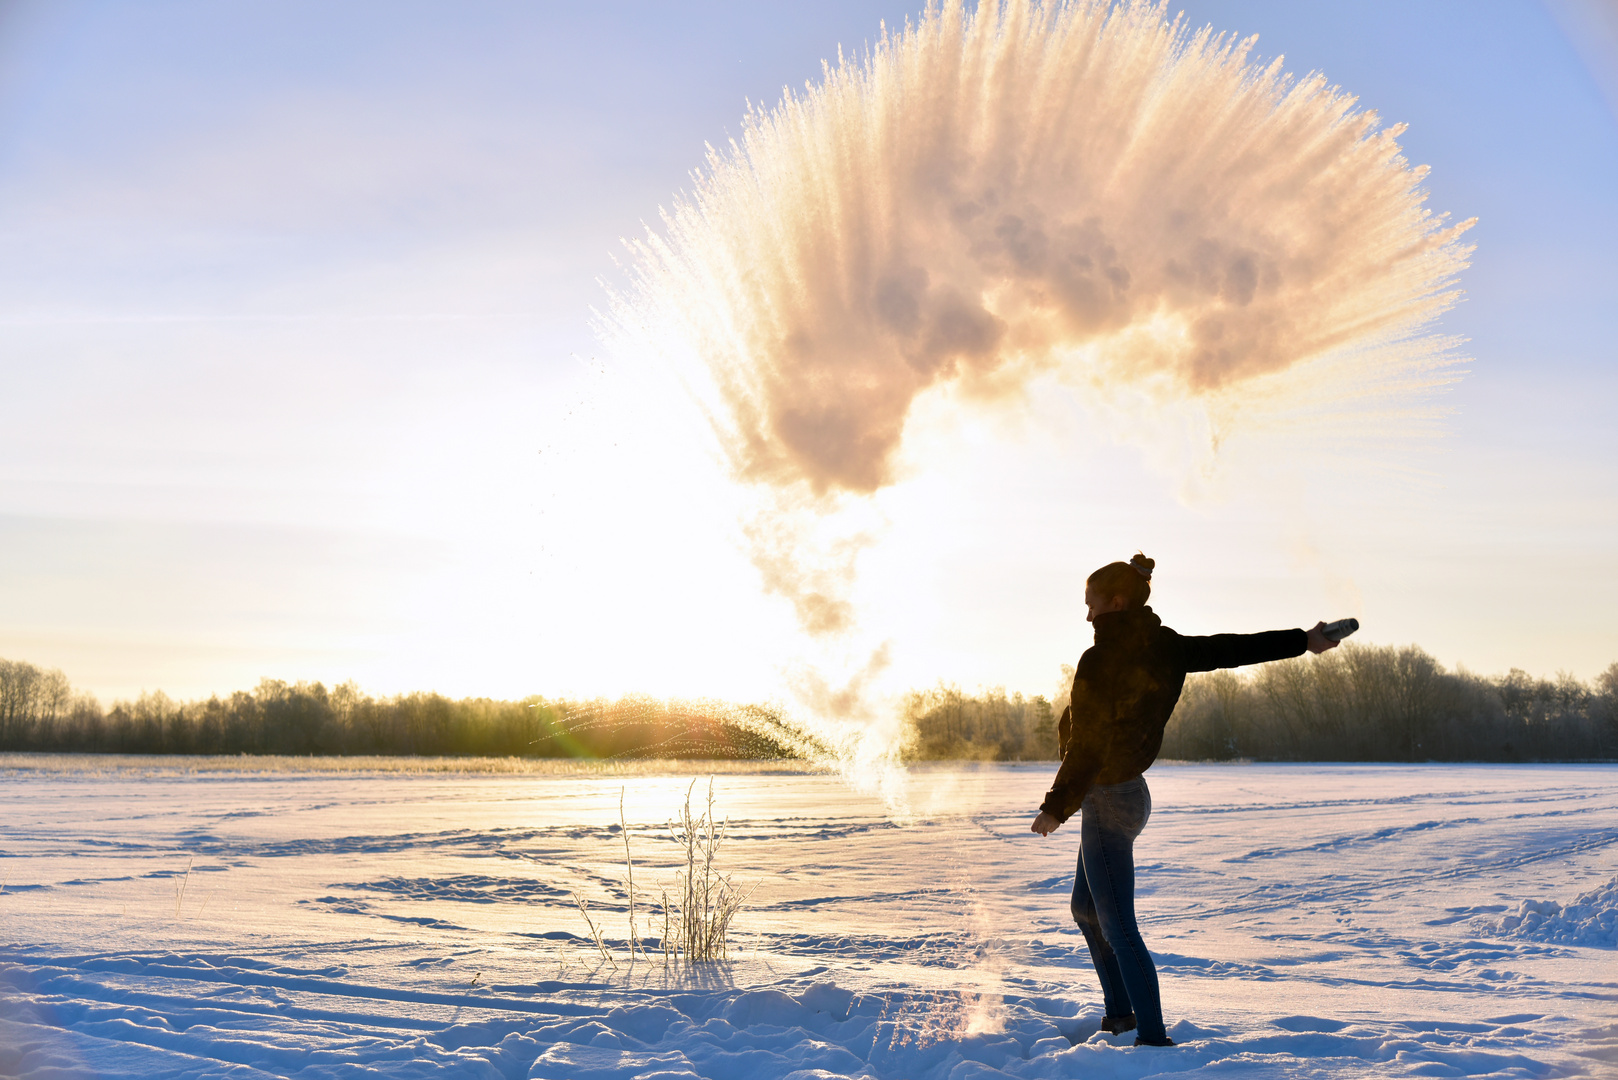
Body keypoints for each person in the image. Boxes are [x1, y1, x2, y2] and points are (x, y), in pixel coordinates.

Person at [1029, 553, 1341, 1047]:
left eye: (1090, 605)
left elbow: (1089, 746)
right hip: (1126, 796)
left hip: (1108, 799)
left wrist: (1055, 806)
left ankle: (1151, 1041)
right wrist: (1304, 640)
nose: (1086, 616)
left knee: (1117, 925)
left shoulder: (1102, 660)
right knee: (1086, 909)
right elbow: (1231, 649)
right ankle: (1120, 1015)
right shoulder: (1164, 647)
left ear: (1115, 601)